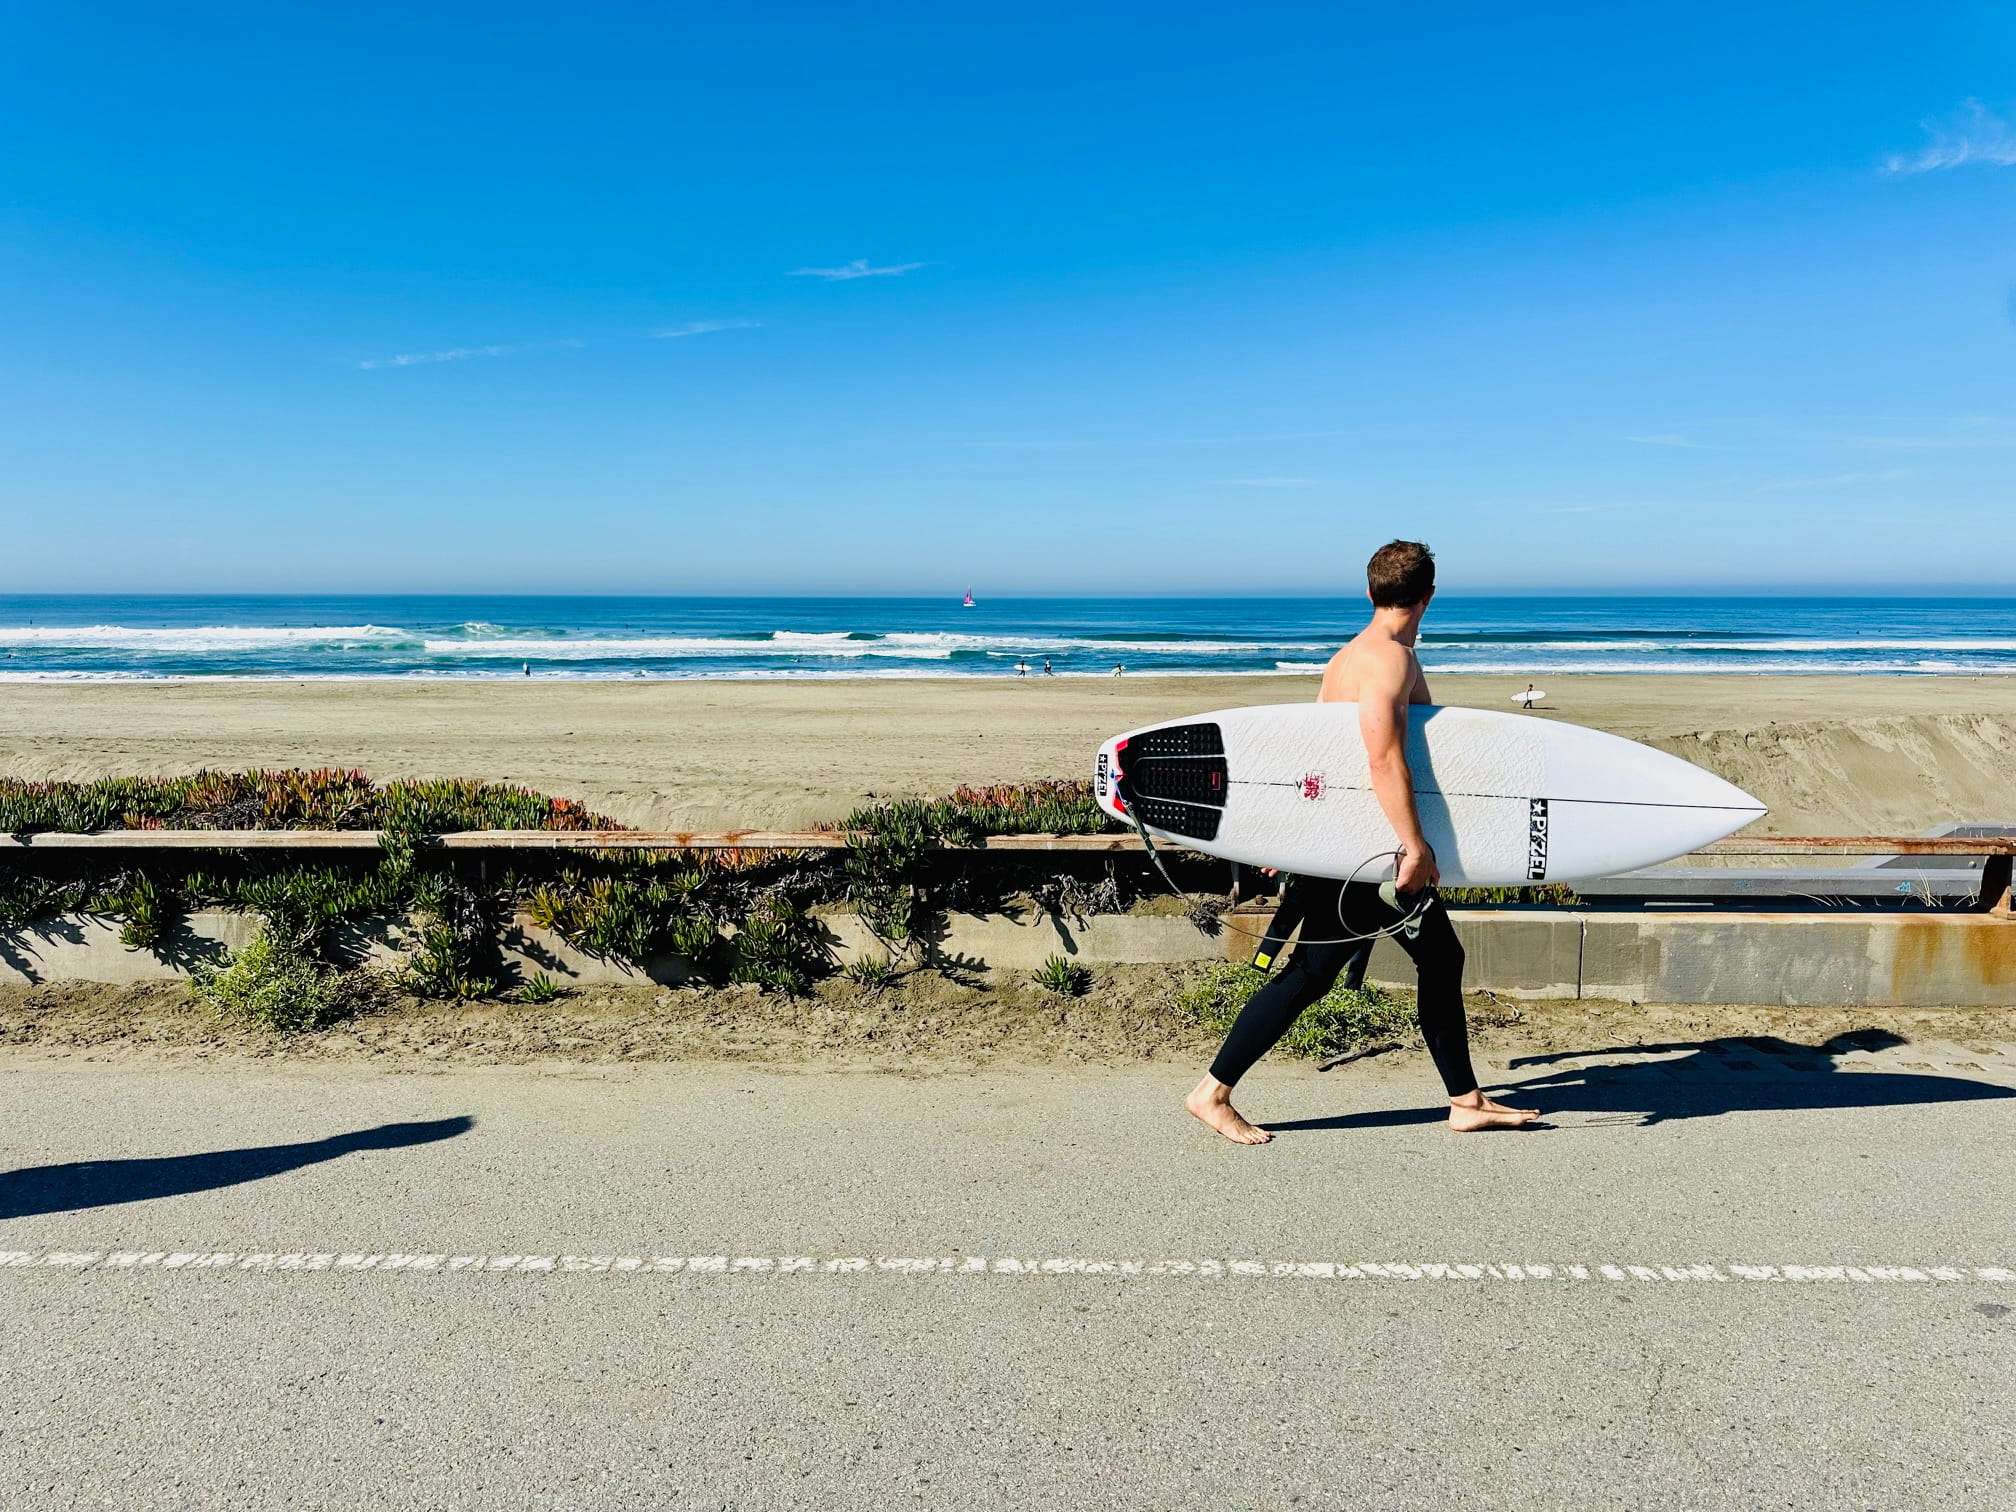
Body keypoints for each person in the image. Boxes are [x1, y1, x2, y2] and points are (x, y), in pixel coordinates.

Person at [1185, 540, 1539, 1141]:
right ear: (1428, 596)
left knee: (1383, 963)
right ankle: (1212, 1092)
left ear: (1370, 592)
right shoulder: (1389, 662)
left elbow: (1316, 763)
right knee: (1315, 973)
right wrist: (1415, 845)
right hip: (1374, 852)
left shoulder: (1346, 658)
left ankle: (1465, 1098)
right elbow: (1382, 760)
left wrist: (1289, 839)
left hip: (1344, 842)